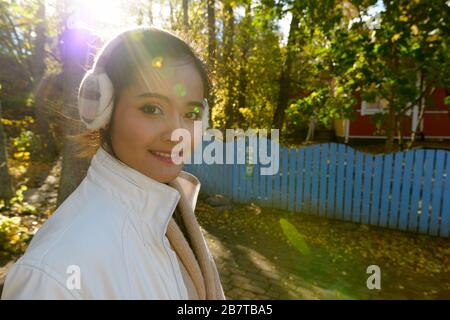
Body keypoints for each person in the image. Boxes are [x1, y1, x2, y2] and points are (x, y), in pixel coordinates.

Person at [1, 26, 225, 300]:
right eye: (152, 109)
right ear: (101, 109)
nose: (177, 134)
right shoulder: (54, 275)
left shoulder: (172, 214)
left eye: (190, 113)